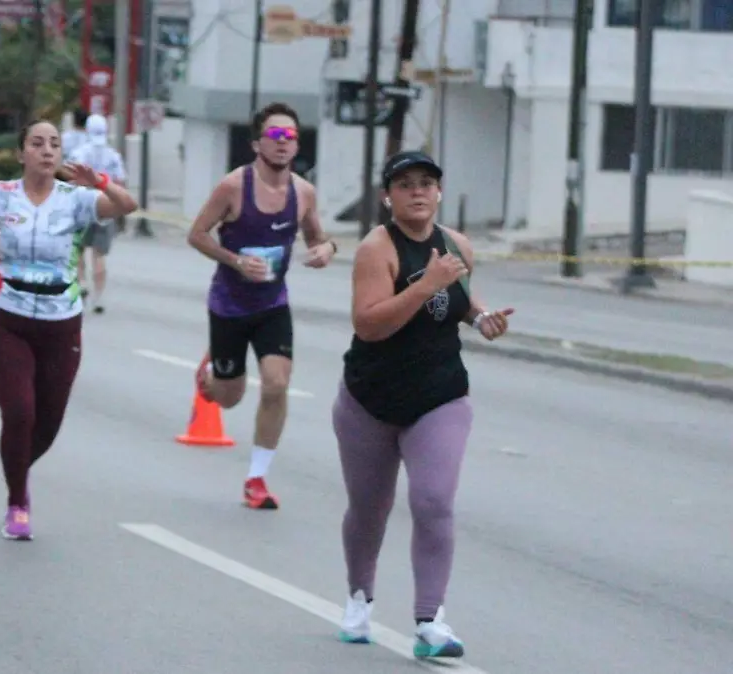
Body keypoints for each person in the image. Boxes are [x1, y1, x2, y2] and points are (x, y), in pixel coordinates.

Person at [333, 151, 515, 659]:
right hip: (370, 398)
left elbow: (458, 301)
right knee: (370, 509)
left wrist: (481, 319)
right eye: (405, 184)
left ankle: (430, 620)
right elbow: (369, 324)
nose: (417, 192)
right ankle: (358, 599)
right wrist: (424, 286)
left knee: (433, 502)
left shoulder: (456, 245)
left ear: (438, 193)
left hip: (439, 395)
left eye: (427, 183)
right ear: (387, 195)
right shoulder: (377, 249)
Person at [0, 120, 138, 540]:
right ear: (21, 153)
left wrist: (103, 182)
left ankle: (13, 461)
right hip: (5, 317)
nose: (46, 150)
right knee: (19, 411)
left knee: (48, 423)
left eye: (54, 144)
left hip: (61, 321)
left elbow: (126, 206)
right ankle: (17, 500)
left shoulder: (75, 199)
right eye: (36, 143)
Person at [185, 102, 337, 510]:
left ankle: (256, 478)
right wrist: (235, 261)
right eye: (275, 135)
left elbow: (319, 238)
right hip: (229, 306)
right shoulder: (233, 187)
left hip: (272, 304)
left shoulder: (303, 193)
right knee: (229, 398)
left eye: (291, 136)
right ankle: (212, 374)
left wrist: (326, 251)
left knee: (276, 384)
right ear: (257, 143)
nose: (284, 143)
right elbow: (196, 235)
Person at [66, 114, 127, 314]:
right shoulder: (113, 155)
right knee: (99, 254)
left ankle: (82, 283)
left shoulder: (79, 153)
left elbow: (69, 180)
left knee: (79, 250)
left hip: (82, 206)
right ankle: (99, 298)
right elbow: (120, 182)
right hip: (105, 207)